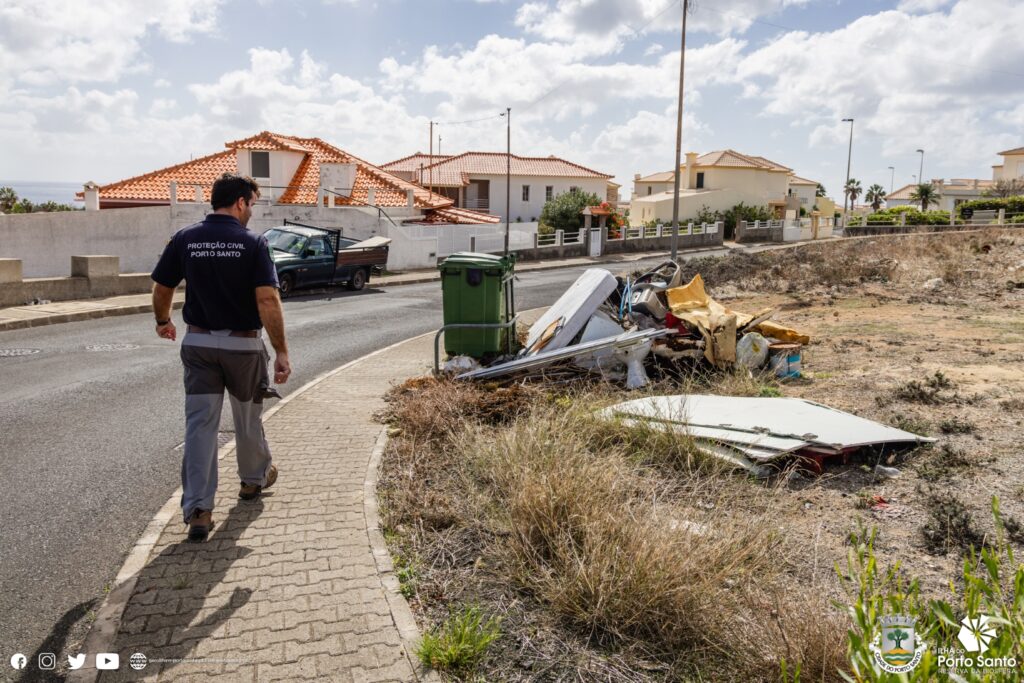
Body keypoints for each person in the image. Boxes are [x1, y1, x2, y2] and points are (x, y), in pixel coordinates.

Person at [151, 173, 291, 542]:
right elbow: (266, 299)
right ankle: (251, 482)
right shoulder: (253, 243)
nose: (252, 212)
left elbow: (163, 285)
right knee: (247, 418)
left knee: (200, 426)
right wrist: (281, 351)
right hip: (243, 348)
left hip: (198, 346)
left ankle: (199, 510)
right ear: (241, 202)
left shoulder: (186, 238)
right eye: (253, 204)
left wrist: (163, 321)